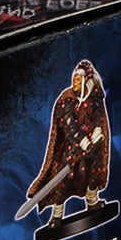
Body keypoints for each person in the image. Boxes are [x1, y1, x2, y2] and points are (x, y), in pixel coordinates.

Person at [27, 59, 111, 228]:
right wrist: (83, 141)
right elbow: (69, 126)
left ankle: (92, 201)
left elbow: (99, 116)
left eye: (78, 80)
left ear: (86, 81)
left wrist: (97, 133)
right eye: (74, 79)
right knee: (65, 179)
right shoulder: (67, 100)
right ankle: (57, 215)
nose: (75, 83)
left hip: (92, 146)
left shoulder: (94, 96)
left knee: (94, 171)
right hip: (72, 148)